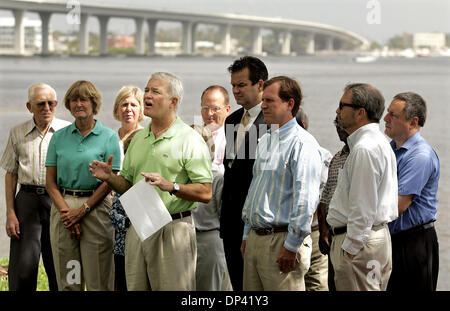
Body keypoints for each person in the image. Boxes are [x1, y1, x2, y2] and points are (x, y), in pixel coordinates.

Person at [89, 72, 213, 291]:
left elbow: (205, 192)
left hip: (173, 229)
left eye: (156, 91)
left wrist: (172, 186)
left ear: (173, 102)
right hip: (139, 226)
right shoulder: (138, 139)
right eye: (147, 90)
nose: (147, 95)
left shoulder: (189, 139)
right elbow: (127, 186)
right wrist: (110, 178)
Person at [241, 76, 323, 291]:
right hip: (257, 240)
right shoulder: (266, 140)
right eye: (263, 100)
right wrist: (246, 234)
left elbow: (305, 201)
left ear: (290, 104)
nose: (264, 106)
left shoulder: (303, 144)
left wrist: (291, 246)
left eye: (270, 100)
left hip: (282, 242)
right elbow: (256, 189)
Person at [45, 80, 121, 291]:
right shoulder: (58, 137)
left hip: (95, 209)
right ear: (68, 105)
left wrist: (83, 210)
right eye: (74, 100)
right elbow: (50, 182)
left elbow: (110, 182)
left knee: (98, 280)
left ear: (93, 103)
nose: (79, 104)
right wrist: (68, 214)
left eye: (84, 99)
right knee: (69, 278)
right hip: (64, 210)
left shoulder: (109, 137)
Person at [326, 83, 398, 291]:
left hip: (359, 244)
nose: (337, 111)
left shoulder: (364, 148)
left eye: (342, 105)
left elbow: (363, 205)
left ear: (360, 113)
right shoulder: (378, 142)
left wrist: (351, 248)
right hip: (372, 238)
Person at [0, 83, 69, 291]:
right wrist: (10, 213)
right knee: (23, 267)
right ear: (29, 106)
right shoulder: (17, 133)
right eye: (40, 104)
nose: (46, 108)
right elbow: (11, 174)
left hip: (58, 200)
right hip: (27, 201)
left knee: (59, 264)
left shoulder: (68, 131)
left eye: (51, 103)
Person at [220, 56, 269, 291]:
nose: (236, 91)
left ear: (260, 85)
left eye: (241, 85)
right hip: (230, 225)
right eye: (233, 85)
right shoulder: (231, 120)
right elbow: (231, 170)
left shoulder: (275, 122)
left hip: (259, 226)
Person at [383, 92, 440, 291]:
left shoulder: (420, 156)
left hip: (414, 244)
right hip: (392, 240)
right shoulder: (389, 149)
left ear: (413, 122)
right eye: (387, 113)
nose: (385, 119)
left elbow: (398, 206)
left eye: (393, 115)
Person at [191, 85, 232, 291]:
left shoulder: (236, 140)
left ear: (227, 109)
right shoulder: (192, 136)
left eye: (215, 108)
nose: (209, 114)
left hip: (214, 229)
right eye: (205, 108)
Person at [110, 85, 145, 291]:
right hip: (109, 208)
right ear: (117, 109)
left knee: (132, 270)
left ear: (141, 109)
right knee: (114, 269)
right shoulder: (109, 137)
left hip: (135, 210)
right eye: (124, 104)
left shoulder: (146, 137)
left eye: (133, 104)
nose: (128, 109)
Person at [296, 107, 332, 291]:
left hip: (315, 231)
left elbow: (324, 197)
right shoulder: (325, 155)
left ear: (302, 126)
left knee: (316, 284)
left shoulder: (322, 156)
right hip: (315, 229)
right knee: (316, 284)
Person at [317, 117, 350, 291]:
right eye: (336, 125)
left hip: (351, 239)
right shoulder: (337, 157)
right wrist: (323, 230)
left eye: (341, 124)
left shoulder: (360, 155)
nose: (338, 128)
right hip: (332, 237)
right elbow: (325, 197)